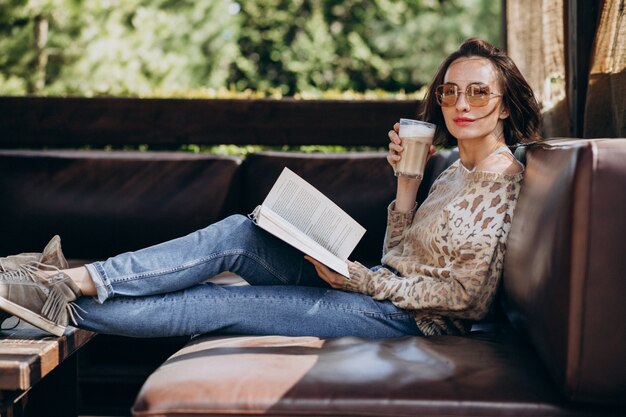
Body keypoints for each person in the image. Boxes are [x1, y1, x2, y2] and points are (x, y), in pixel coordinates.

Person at [0, 38, 541, 339]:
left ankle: (45, 298)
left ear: (506, 103)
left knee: (215, 304)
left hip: (408, 323)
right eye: (449, 92)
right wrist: (407, 185)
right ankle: (72, 279)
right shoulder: (452, 170)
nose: (460, 105)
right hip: (379, 290)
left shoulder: (507, 183)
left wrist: (363, 284)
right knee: (241, 232)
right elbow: (398, 259)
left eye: (478, 93)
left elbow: (468, 301)